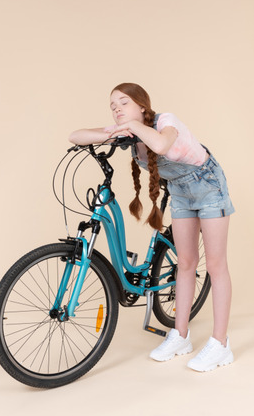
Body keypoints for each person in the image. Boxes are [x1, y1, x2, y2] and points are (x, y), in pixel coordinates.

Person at [69, 82, 235, 372]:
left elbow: (160, 144)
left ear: (142, 106)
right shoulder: (130, 134)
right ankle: (180, 335)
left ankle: (220, 344)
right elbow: (75, 136)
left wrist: (131, 126)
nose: (117, 109)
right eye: (112, 105)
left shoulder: (164, 122)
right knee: (185, 263)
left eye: (123, 102)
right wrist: (113, 131)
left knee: (215, 266)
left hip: (208, 186)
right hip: (181, 192)